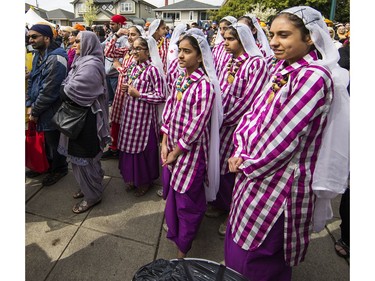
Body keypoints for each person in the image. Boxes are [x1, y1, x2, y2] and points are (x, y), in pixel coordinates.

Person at [224, 6, 349, 280]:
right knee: (240, 247)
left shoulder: (313, 76)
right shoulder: (285, 68)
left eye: (283, 35)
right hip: (255, 169)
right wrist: (241, 149)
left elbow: (283, 139)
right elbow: (254, 114)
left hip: (280, 182)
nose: (273, 43)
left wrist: (247, 163)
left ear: (310, 38)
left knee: (261, 256)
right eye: (271, 35)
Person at [161, 30, 223, 258]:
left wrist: (176, 152)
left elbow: (196, 127)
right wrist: (164, 142)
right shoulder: (181, 79)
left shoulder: (204, 86)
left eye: (187, 51)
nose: (180, 56)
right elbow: (168, 110)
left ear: (200, 57)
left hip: (191, 153)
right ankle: (178, 232)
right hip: (173, 149)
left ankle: (182, 249)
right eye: (179, 51)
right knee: (174, 196)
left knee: (187, 201)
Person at [208, 23, 270, 236]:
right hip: (223, 122)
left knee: (233, 170)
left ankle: (231, 213)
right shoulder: (232, 61)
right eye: (224, 38)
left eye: (230, 39)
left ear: (243, 40)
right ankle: (220, 204)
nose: (225, 43)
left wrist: (223, 120)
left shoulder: (255, 64)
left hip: (238, 128)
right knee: (221, 166)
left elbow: (249, 101)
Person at [57, 31, 110, 213]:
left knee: (85, 156)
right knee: (80, 157)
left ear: (88, 43)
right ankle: (88, 185)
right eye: (75, 40)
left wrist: (64, 88)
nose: (74, 44)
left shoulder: (91, 65)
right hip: (78, 116)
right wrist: (65, 86)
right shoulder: (81, 61)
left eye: (79, 41)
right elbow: (66, 84)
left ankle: (92, 195)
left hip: (86, 119)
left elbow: (69, 91)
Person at [117, 36, 166, 197]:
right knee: (128, 149)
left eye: (138, 48)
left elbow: (160, 96)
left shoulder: (153, 70)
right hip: (129, 115)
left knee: (142, 151)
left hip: (144, 120)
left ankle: (145, 181)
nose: (134, 51)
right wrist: (127, 89)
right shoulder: (132, 66)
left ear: (147, 50)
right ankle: (132, 178)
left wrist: (139, 94)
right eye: (133, 48)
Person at [25, 23, 69, 186]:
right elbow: (33, 79)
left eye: (34, 36)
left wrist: (35, 110)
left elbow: (50, 90)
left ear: (47, 38)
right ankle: (46, 165)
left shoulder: (57, 58)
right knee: (45, 141)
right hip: (40, 107)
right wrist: (29, 103)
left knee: (54, 141)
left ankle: (59, 169)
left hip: (53, 109)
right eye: (29, 37)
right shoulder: (38, 53)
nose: (31, 40)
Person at [102, 25, 145, 160]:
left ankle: (122, 148)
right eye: (129, 34)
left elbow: (135, 72)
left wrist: (119, 67)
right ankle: (115, 147)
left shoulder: (141, 53)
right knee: (116, 119)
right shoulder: (127, 50)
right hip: (121, 91)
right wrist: (116, 35)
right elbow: (108, 52)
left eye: (134, 34)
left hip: (132, 93)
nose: (130, 37)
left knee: (127, 122)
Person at [102, 15, 128, 107]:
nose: (111, 26)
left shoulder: (124, 38)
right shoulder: (112, 36)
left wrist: (115, 66)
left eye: (113, 24)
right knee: (110, 102)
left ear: (119, 24)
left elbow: (125, 56)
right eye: (110, 24)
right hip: (108, 74)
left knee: (118, 103)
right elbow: (103, 47)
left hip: (116, 75)